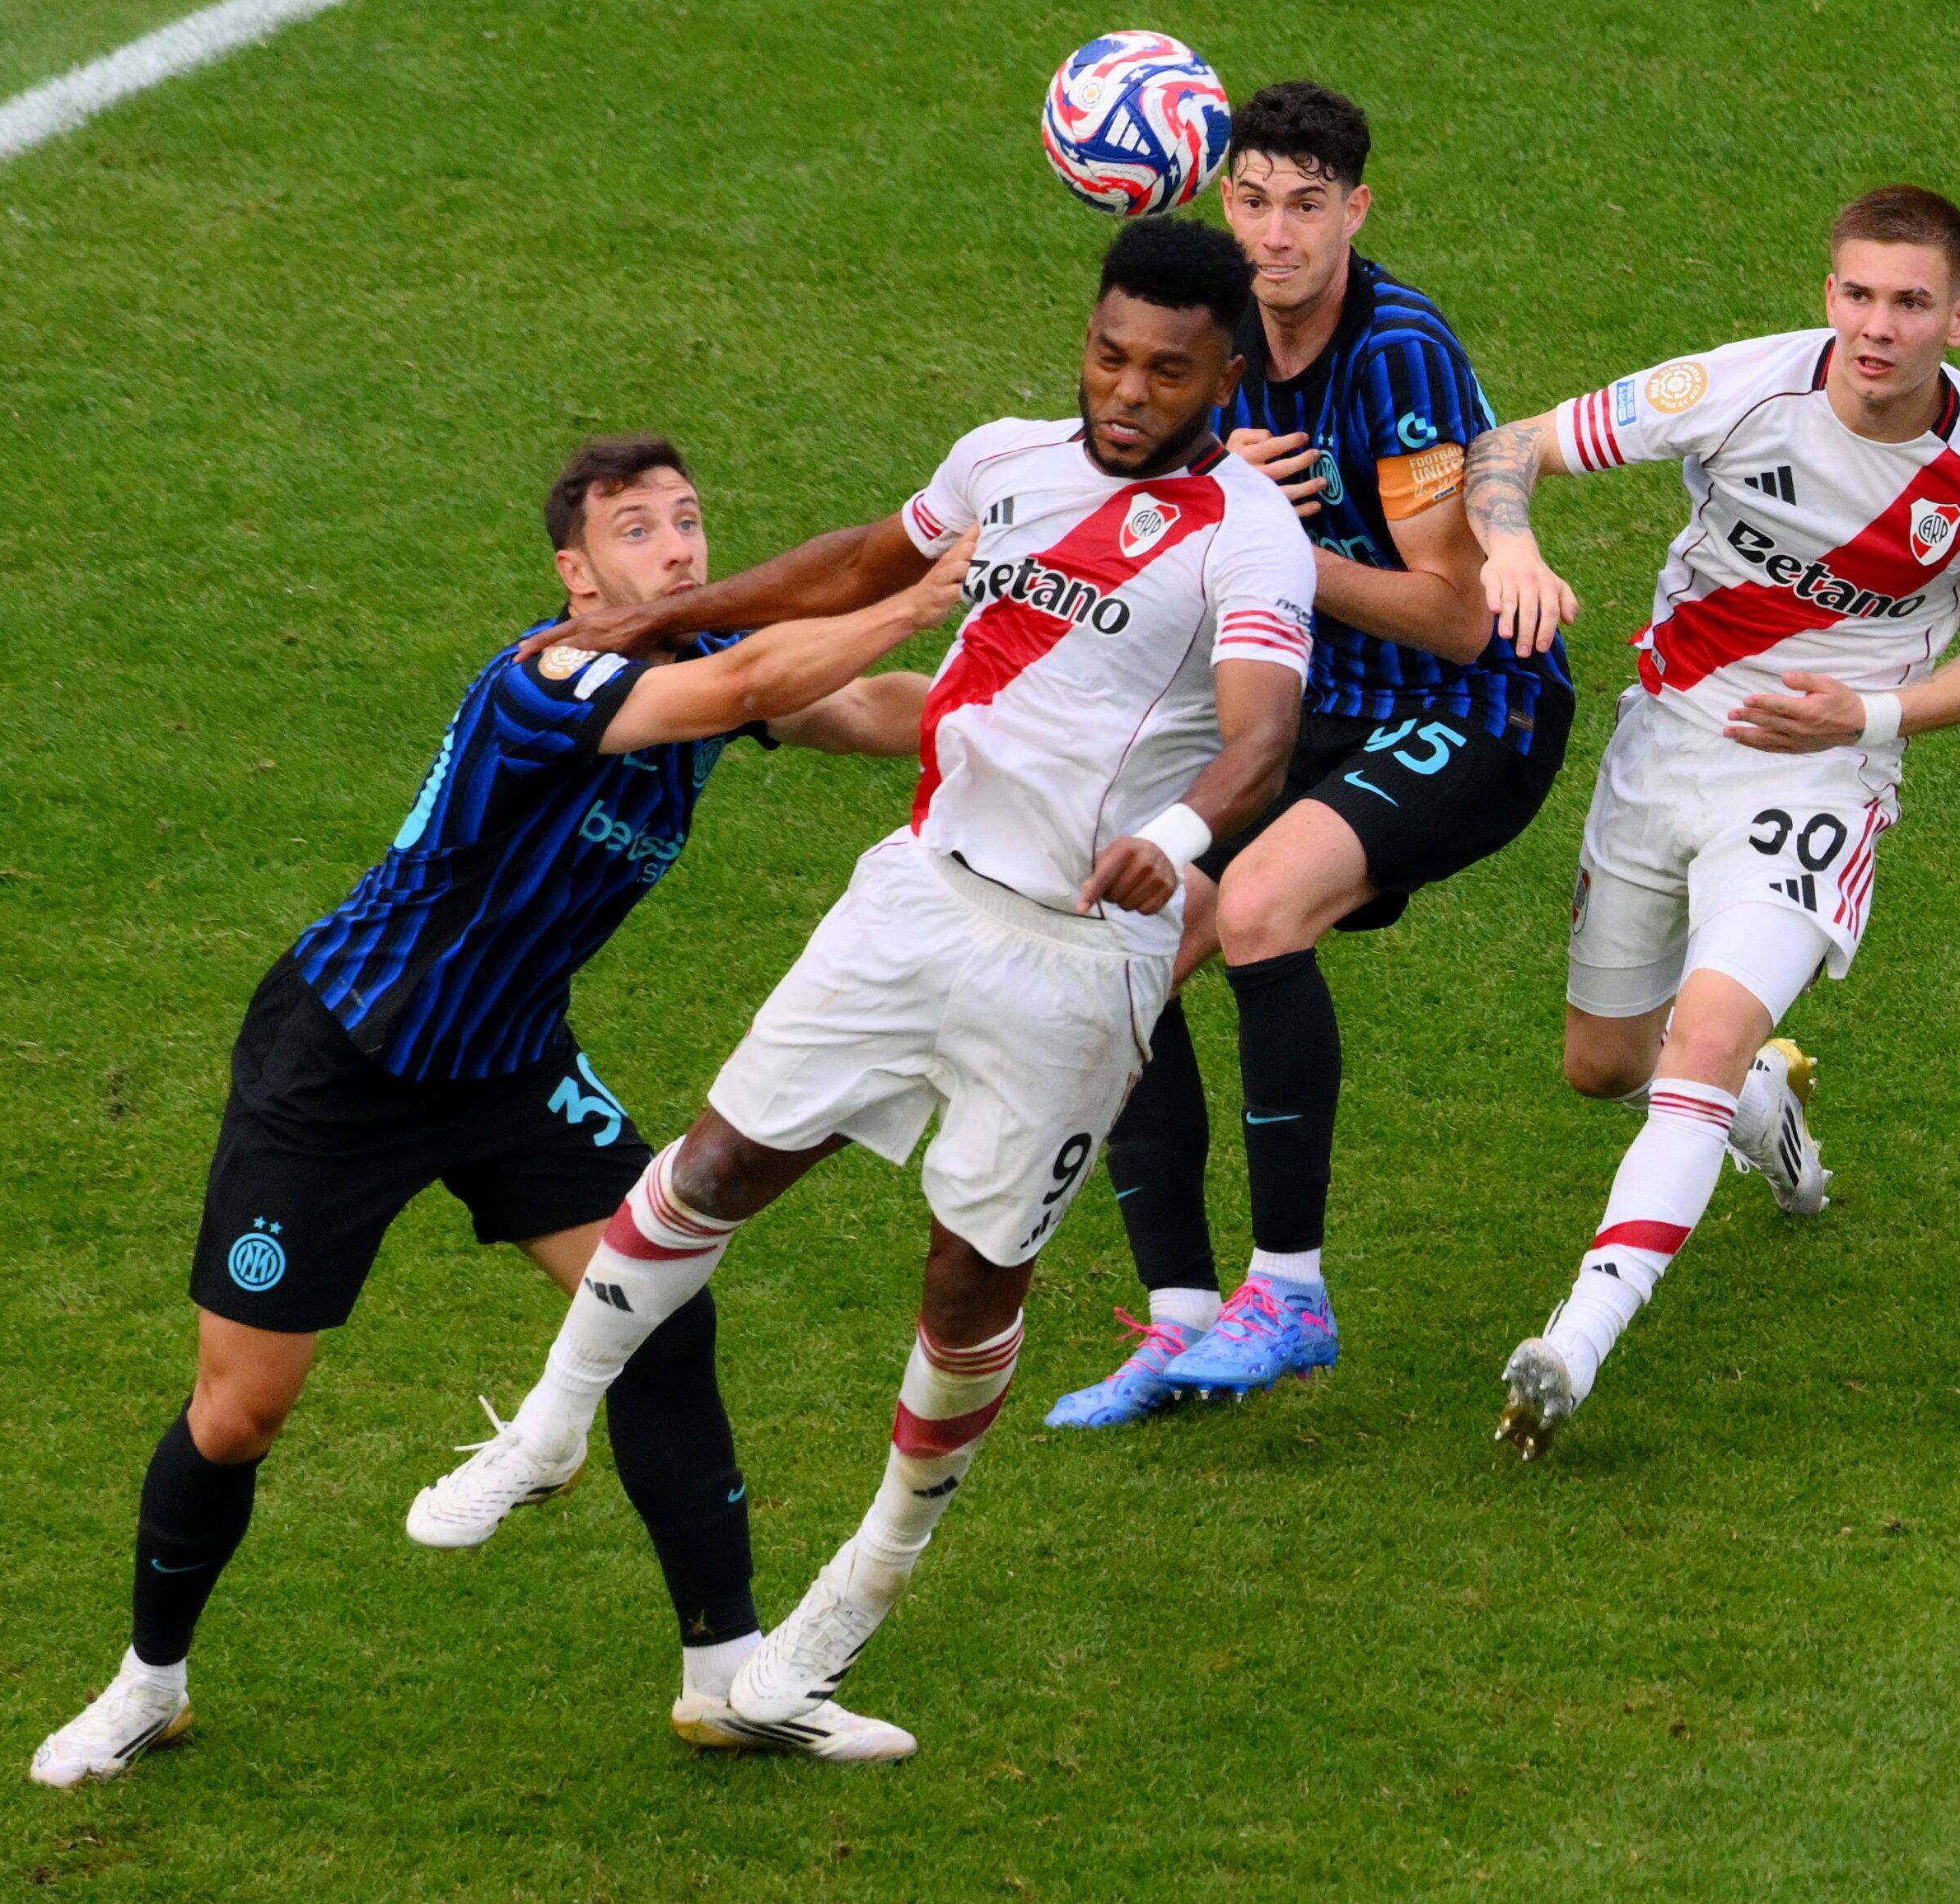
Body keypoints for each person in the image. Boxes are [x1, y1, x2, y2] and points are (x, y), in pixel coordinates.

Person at [412, 217, 1315, 1743]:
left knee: (969, 1286)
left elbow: (1261, 731)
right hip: (915, 901)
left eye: (1167, 369)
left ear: (1225, 370)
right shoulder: (1004, 458)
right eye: (1108, 353)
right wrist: (667, 617)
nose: (1126, 389)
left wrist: (1175, 832)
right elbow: (854, 563)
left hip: (1081, 963)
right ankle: (552, 1427)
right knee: (713, 1162)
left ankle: (853, 1597)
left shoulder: (1252, 534)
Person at [29, 436, 966, 1784]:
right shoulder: (552, 677)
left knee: (658, 1310)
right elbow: (766, 674)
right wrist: (919, 590)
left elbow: (861, 709)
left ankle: (727, 1677)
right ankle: (146, 1683)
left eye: (692, 521)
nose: (681, 547)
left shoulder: (700, 682)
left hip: (509, 1067)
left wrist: (1031, 716)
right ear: (576, 575)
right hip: (341, 1067)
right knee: (241, 1412)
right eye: (639, 530)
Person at [1462, 184, 1960, 1457]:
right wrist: (1509, 548)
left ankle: (1572, 1344)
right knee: (1605, 1065)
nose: (1879, 326)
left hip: (1817, 780)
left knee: (1702, 1040)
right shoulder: (1741, 387)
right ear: (1828, 295)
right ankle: (1764, 1108)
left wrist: (1869, 718)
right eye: (1858, 294)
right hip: (1667, 741)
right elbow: (1509, 444)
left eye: (1910, 302)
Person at [1046, 81, 1575, 1426]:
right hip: (1320, 712)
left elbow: (1459, 617)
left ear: (1355, 211)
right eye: (1252, 200)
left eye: (1304, 206)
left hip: (1473, 714)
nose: (1274, 235)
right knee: (1124, 929)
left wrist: (1281, 545)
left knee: (1266, 905)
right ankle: (1177, 1319)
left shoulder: (1399, 356)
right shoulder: (1212, 345)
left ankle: (1293, 1292)